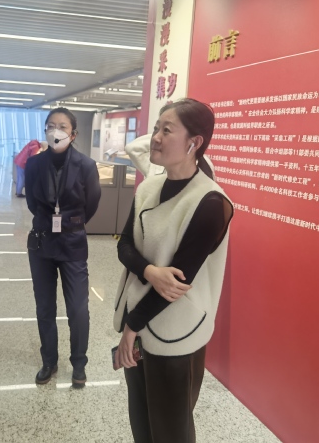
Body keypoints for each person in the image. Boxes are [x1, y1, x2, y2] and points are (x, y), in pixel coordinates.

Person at [113, 99, 233, 443]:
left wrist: (131, 328)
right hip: (137, 318)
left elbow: (176, 284)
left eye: (167, 130)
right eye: (156, 128)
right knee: (141, 421)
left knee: (171, 430)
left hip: (176, 331)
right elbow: (124, 245)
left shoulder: (211, 203)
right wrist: (151, 271)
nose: (155, 137)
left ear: (194, 143)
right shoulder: (148, 188)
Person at [25, 107, 101, 388]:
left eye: (62, 127)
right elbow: (32, 203)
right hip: (42, 241)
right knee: (44, 306)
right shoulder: (34, 164)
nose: (55, 131)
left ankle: (79, 363)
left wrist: (71, 224)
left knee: (78, 308)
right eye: (50, 126)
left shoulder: (86, 165)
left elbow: (91, 204)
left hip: (72, 243)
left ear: (73, 134)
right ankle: (49, 360)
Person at [125, 133, 216, 177]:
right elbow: (131, 148)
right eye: (157, 129)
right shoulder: (156, 165)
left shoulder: (205, 163)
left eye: (167, 130)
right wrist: (162, 136)